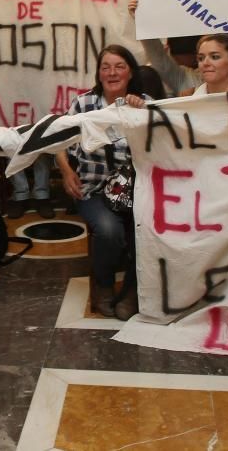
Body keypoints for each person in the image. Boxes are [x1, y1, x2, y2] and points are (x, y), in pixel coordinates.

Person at [55, 45, 146, 321]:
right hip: (92, 189)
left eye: (119, 66)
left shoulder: (143, 104)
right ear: (98, 73)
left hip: (136, 191)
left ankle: (132, 291)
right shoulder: (84, 104)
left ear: (131, 72)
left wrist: (142, 115)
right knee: (108, 231)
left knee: (145, 232)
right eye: (105, 66)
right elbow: (58, 142)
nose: (112, 72)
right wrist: (66, 172)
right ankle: (104, 286)